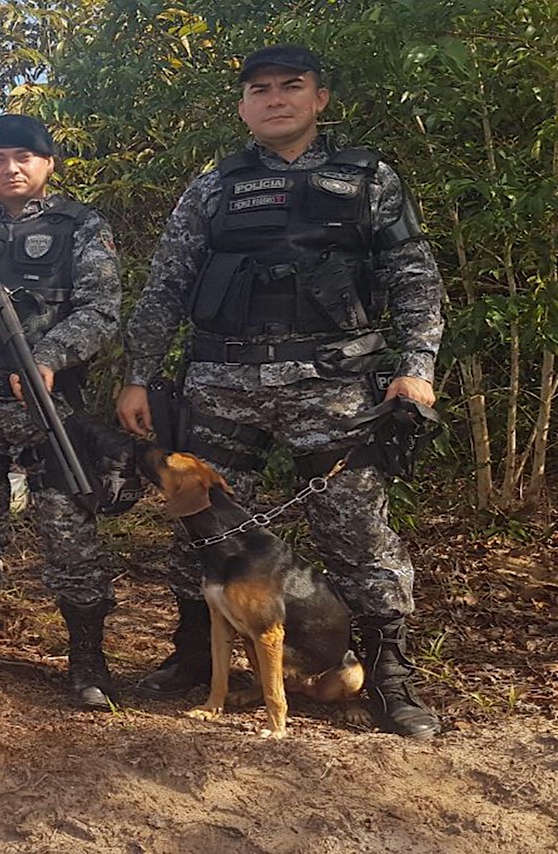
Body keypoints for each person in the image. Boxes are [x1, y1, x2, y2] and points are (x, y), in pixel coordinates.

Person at [116, 45, 444, 739]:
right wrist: (140, 373)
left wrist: (417, 365)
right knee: (200, 526)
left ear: (319, 98)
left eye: (290, 87)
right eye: (259, 89)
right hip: (222, 380)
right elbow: (165, 287)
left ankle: (389, 677)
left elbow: (413, 275)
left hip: (331, 382)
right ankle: (189, 658)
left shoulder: (368, 179)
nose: (274, 99)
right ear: (243, 105)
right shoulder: (212, 188)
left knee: (357, 530)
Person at [0, 115, 123, 709]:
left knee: (70, 537)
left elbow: (102, 307)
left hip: (50, 408)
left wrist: (49, 356)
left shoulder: (81, 225)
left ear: (47, 164)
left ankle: (87, 655)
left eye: (24, 158)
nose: (11, 169)